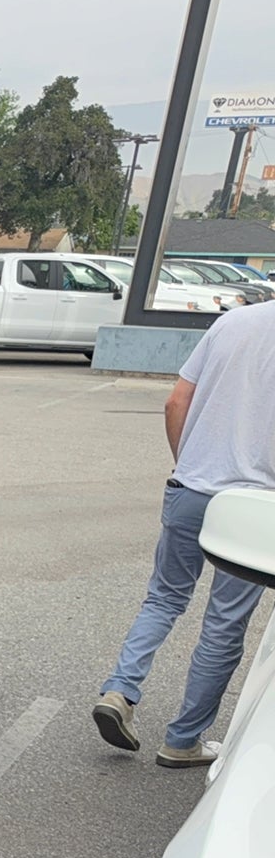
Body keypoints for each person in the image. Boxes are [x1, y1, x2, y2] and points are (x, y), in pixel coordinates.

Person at [95, 299, 275, 767]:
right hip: (255, 505)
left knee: (165, 597)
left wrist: (188, 464)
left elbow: (176, 401)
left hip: (192, 485)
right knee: (225, 622)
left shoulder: (231, 322)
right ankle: (182, 740)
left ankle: (119, 691)